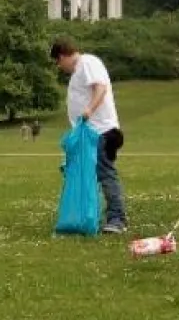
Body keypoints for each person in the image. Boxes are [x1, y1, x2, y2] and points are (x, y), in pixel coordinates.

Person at [49, 37, 128, 234]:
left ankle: (117, 218)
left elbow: (100, 88)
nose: (59, 67)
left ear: (62, 56)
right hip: (89, 134)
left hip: (100, 132)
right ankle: (90, 214)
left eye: (58, 62)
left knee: (105, 174)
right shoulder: (79, 71)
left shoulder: (88, 63)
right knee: (89, 175)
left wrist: (89, 110)